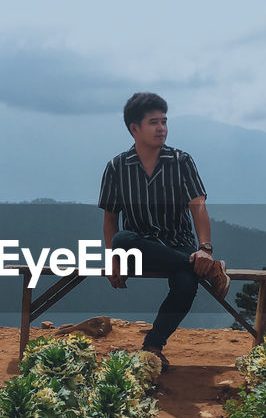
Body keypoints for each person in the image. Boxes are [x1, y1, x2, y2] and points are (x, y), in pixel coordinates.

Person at [98, 92, 230, 370]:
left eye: (164, 122)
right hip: (139, 246)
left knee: (186, 284)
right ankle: (206, 267)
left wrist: (204, 248)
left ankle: (153, 345)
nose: (162, 128)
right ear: (135, 128)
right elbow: (111, 219)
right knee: (123, 238)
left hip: (179, 245)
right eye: (153, 122)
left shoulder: (181, 161)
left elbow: (198, 206)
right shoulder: (116, 167)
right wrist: (112, 258)